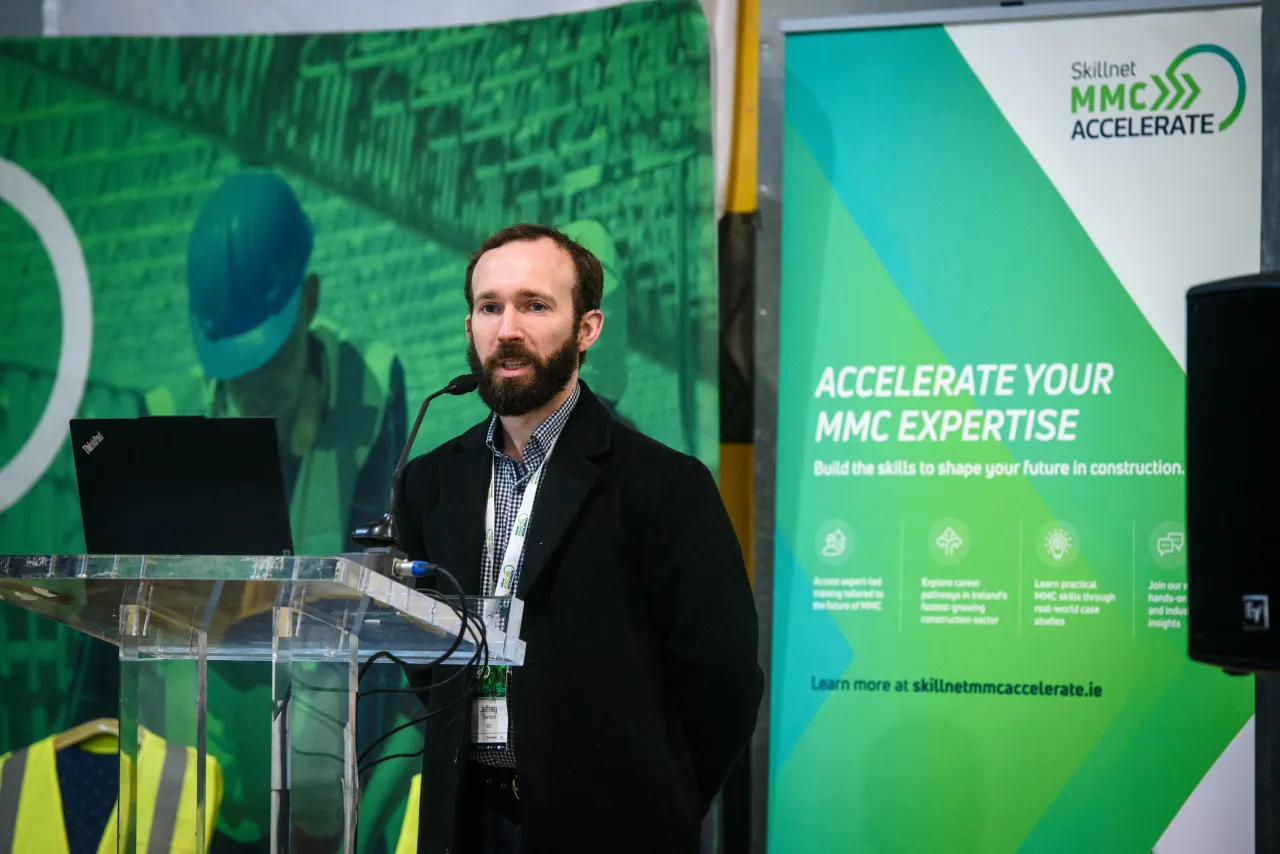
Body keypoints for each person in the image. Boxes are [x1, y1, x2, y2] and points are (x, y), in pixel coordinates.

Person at [395, 223, 762, 853]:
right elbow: (423, 657)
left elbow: (722, 678)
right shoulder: (428, 484)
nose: (508, 328)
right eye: (489, 307)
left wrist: (657, 800)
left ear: (587, 329)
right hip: (463, 824)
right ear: (469, 329)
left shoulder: (663, 484)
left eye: (535, 305)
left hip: (611, 828)